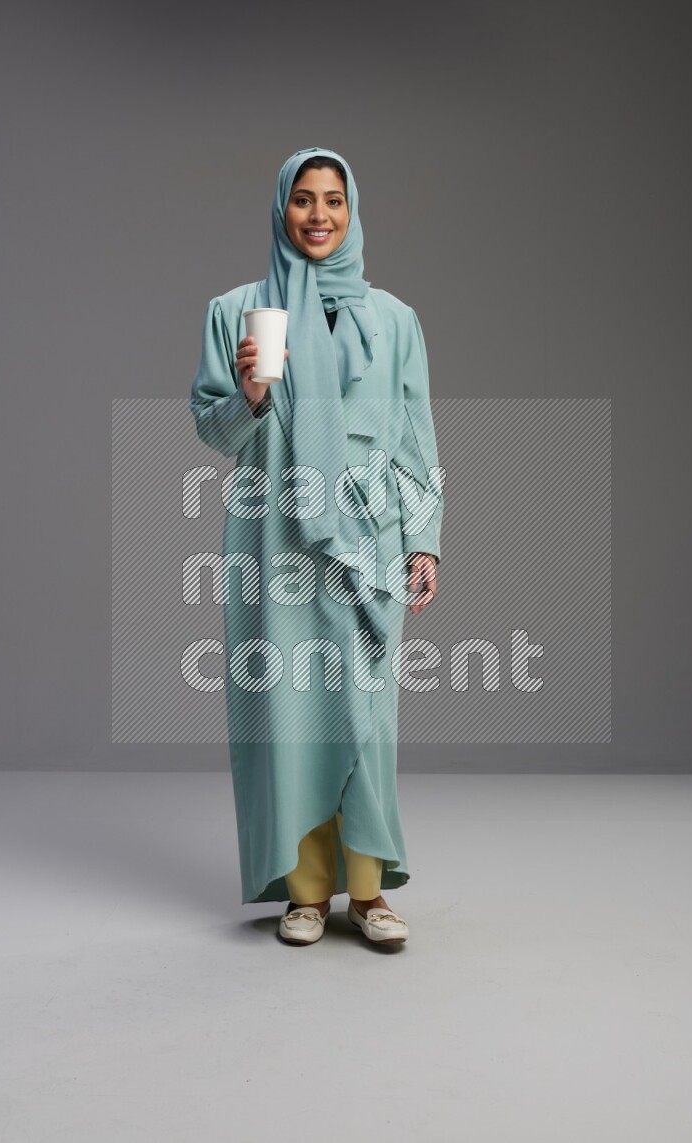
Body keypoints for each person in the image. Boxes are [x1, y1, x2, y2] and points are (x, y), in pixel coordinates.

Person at [189, 146, 444, 947]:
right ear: (281, 209)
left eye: (334, 199)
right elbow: (213, 429)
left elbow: (414, 441)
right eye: (304, 199)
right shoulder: (236, 309)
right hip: (275, 531)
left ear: (353, 209)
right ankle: (306, 893)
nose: (320, 215)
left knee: (366, 715)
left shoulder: (395, 319)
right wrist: (251, 396)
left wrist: (425, 540)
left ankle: (368, 893)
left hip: (369, 537)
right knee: (290, 712)